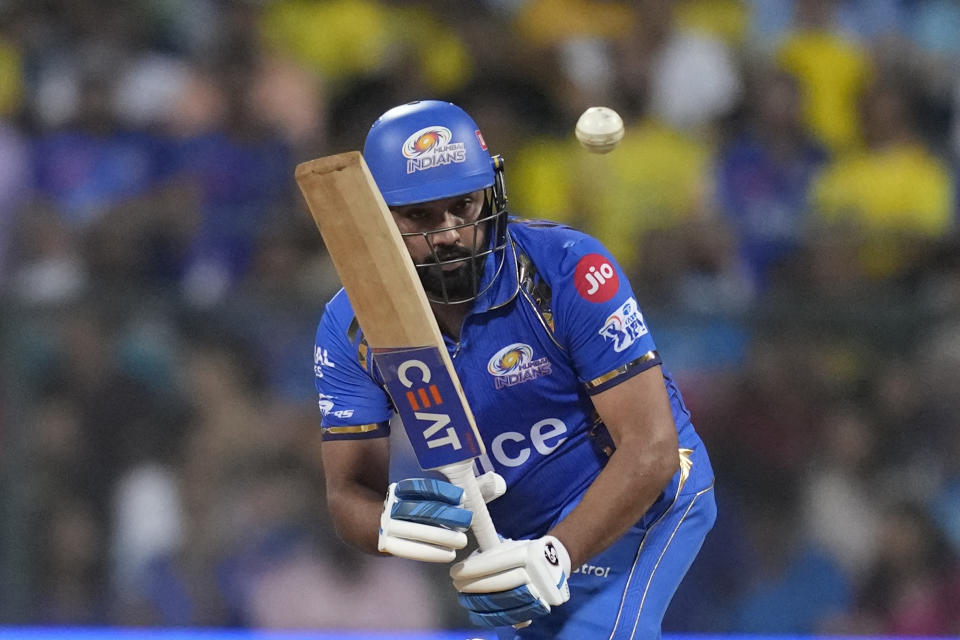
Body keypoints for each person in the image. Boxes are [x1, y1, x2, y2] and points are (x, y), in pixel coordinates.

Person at [312, 99, 716, 639]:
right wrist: (389, 522)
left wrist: (557, 554)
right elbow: (347, 497)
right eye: (420, 216)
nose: (451, 232)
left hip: (642, 501)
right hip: (515, 536)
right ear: (376, 218)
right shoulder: (349, 328)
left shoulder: (568, 268)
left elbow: (652, 448)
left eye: (464, 205)